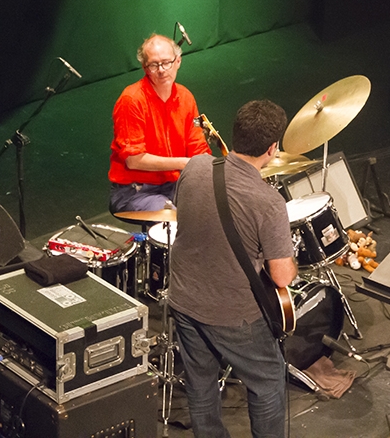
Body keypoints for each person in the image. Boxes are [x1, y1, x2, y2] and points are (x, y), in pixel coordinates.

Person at [169, 100, 298, 438]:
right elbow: (282, 276)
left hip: (183, 299)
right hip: (232, 314)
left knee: (200, 386)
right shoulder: (268, 202)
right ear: (272, 149)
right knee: (268, 381)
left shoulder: (195, 167)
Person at [108, 33, 210, 214]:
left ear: (178, 61)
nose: (162, 70)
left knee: (215, 208)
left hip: (174, 185)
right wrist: (184, 163)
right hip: (135, 191)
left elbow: (198, 147)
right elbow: (134, 160)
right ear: (145, 67)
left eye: (166, 62)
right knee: (172, 221)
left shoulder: (186, 97)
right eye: (154, 65)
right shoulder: (131, 100)